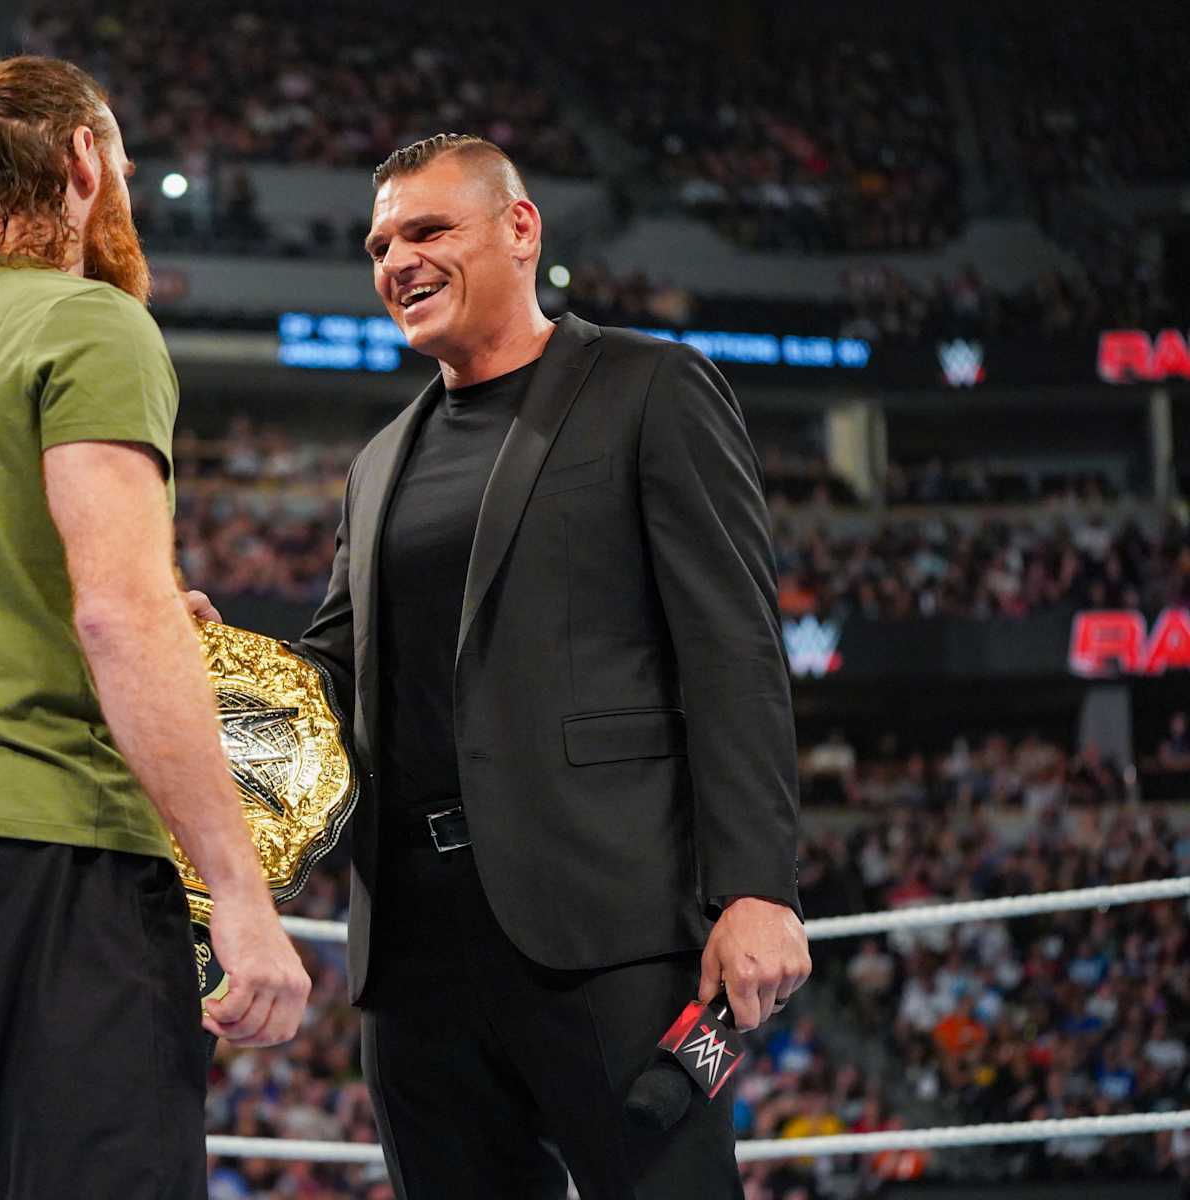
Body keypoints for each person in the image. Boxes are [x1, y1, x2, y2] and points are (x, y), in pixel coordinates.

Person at [0, 43, 309, 1198]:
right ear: (84, 160)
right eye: (120, 162)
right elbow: (120, 619)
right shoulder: (90, 325)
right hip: (48, 857)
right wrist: (238, 891)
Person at [294, 134, 810, 1197]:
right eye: (380, 243)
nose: (397, 261)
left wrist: (757, 887)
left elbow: (734, 649)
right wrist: (208, 656)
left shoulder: (650, 387)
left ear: (520, 230)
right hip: (416, 959)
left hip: (607, 935)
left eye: (429, 230)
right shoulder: (379, 460)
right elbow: (335, 673)